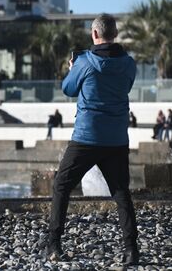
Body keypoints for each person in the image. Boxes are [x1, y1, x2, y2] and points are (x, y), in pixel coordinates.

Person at [46, 14, 139, 266]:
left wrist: (72, 69)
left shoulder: (85, 62)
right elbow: (126, 85)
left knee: (62, 185)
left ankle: (54, 243)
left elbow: (68, 89)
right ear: (115, 34)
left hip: (87, 137)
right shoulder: (129, 64)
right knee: (121, 193)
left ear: (94, 34)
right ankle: (132, 249)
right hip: (117, 138)